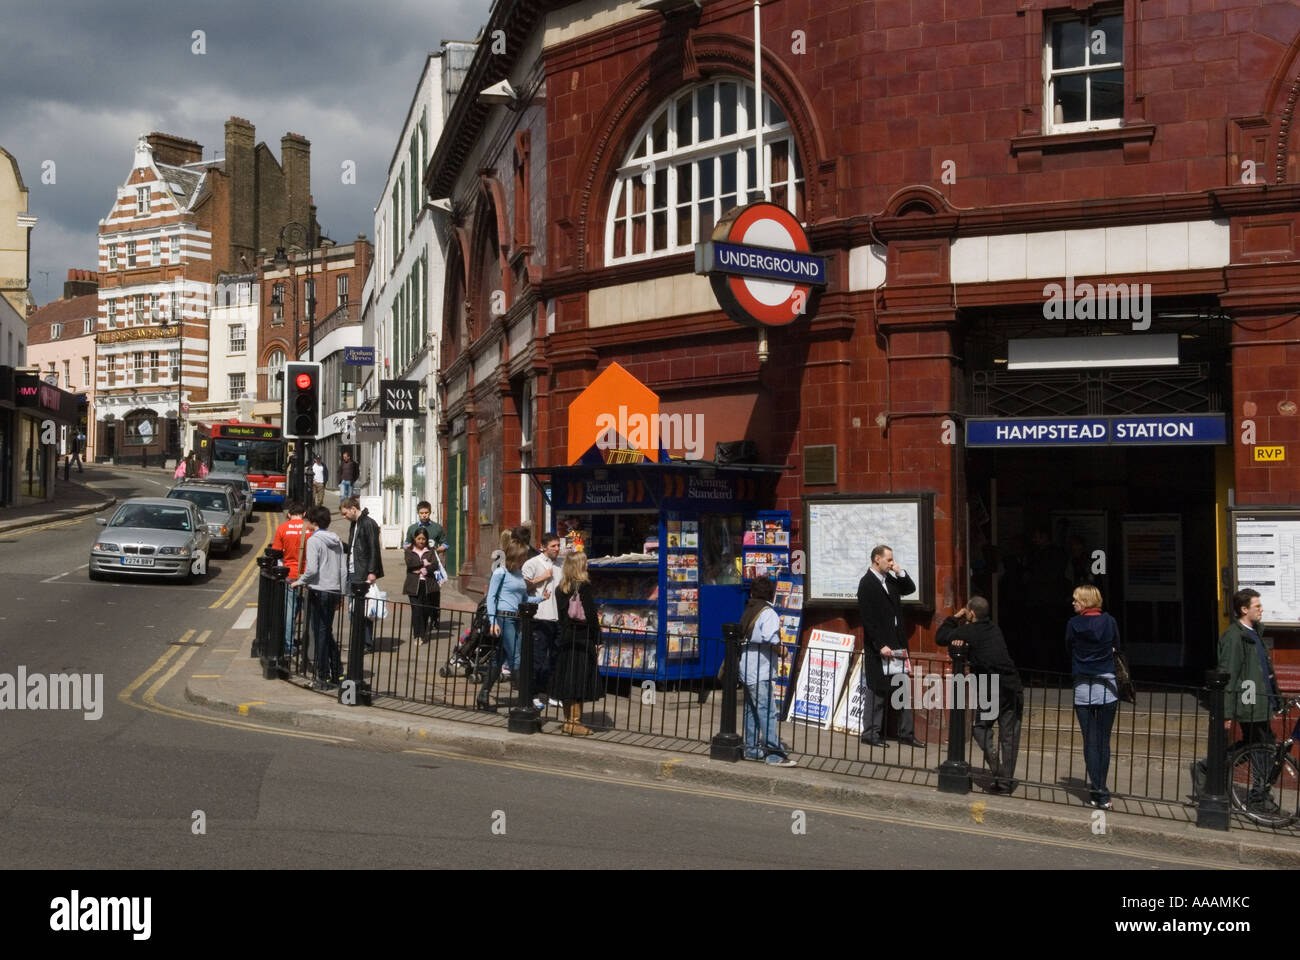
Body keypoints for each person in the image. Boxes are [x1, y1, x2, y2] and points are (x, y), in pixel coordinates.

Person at [936, 595, 1023, 793]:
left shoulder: (969, 631)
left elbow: (940, 637)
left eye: (968, 611)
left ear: (971, 613)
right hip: (1013, 685)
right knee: (1009, 735)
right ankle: (1005, 782)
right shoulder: (994, 629)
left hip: (991, 686)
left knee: (980, 728)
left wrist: (955, 617)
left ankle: (995, 764)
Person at [1218, 588, 1283, 815]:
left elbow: (1265, 671)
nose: (1261, 609)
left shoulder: (1254, 632)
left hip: (1262, 701)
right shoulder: (1234, 637)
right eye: (1257, 606)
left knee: (1258, 748)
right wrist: (1227, 712)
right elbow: (1229, 675)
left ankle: (1208, 769)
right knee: (1261, 750)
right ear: (1244, 609)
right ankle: (1258, 797)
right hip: (1249, 703)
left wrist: (1277, 698)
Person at [856, 544, 923, 748]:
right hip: (881, 646)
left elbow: (909, 588)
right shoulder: (866, 583)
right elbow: (867, 619)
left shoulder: (890, 580)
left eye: (892, 559)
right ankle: (871, 733)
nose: (891, 563)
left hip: (897, 642)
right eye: (888, 560)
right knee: (877, 690)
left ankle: (906, 733)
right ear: (877, 559)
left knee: (902, 688)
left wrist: (899, 571)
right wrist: (880, 644)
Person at [1065, 584, 1122, 809]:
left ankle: (1098, 790)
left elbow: (1068, 648)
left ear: (1086, 601)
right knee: (1103, 741)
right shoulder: (1110, 621)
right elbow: (1117, 645)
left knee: (1090, 740)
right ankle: (1102, 791)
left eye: (1076, 599)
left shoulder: (1073, 624)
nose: (1073, 602)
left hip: (1083, 685)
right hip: (1107, 684)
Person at [739, 576, 797, 766]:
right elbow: (771, 638)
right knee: (767, 711)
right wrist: (783, 650)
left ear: (752, 592)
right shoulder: (768, 612)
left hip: (746, 667)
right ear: (772, 593)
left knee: (751, 710)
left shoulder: (749, 608)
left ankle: (752, 748)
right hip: (760, 669)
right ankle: (773, 753)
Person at [476, 539, 538, 710]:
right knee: (516, 657)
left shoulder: (519, 574)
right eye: (522, 556)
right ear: (514, 556)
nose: (524, 559)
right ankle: (525, 701)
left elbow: (524, 599)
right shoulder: (500, 573)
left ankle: (483, 694)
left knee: (500, 658)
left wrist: (541, 598)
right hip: (504, 618)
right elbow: (491, 597)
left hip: (517, 618)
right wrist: (493, 620)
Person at [292, 506, 346, 690]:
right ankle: (337, 670)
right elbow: (343, 570)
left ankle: (321, 677)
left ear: (313, 522)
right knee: (326, 631)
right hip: (333, 590)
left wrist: (299, 581)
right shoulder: (336, 540)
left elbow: (312, 569)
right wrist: (341, 592)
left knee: (320, 633)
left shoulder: (314, 540)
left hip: (319, 590)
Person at [552, 551, 604, 736]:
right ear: (579, 566)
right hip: (582, 638)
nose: (587, 566)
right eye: (585, 563)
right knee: (579, 681)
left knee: (568, 680)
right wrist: (598, 639)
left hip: (566, 638)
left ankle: (568, 721)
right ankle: (575, 722)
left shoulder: (561, 588)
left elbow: (560, 616)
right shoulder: (583, 587)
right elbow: (590, 615)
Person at [521, 532, 564, 708]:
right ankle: (532, 694)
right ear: (544, 547)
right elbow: (523, 586)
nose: (557, 549)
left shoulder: (561, 564)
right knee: (537, 659)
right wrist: (542, 578)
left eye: (558, 545)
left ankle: (553, 694)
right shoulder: (532, 563)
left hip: (557, 617)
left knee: (555, 658)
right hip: (540, 617)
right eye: (553, 546)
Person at [340, 496, 384, 651]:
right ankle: (360, 641)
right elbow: (354, 548)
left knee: (363, 610)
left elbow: (374, 549)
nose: (344, 517)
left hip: (363, 572)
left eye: (345, 513)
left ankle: (365, 643)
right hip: (354, 571)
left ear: (353, 508)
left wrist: (372, 572)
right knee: (354, 609)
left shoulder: (368, 523)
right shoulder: (355, 523)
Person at [273, 501, 311, 658]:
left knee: (290, 612)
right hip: (308, 576)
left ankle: (288, 646)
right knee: (309, 612)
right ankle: (310, 646)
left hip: (290, 576)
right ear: (304, 514)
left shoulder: (282, 528)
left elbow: (275, 553)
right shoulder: (310, 528)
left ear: (289, 514)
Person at [404, 529, 440, 645]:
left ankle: (423, 633)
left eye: (423, 539)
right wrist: (424, 563)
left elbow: (435, 565)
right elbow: (410, 564)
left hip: (428, 584)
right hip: (413, 585)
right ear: (414, 539)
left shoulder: (431, 551)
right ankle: (417, 635)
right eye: (419, 539)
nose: (421, 541)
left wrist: (424, 569)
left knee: (425, 610)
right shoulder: (409, 551)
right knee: (416, 610)